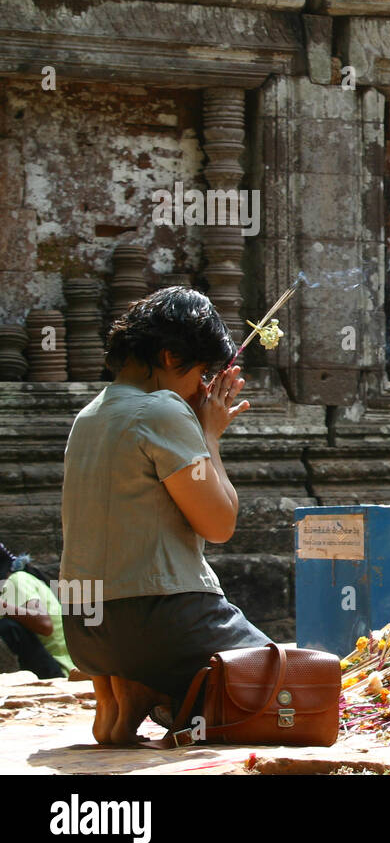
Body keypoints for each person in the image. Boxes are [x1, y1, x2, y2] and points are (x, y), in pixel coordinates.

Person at [60, 287, 271, 746]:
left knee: (209, 685)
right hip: (156, 619)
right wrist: (210, 436)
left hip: (84, 626)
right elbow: (219, 526)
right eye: (201, 374)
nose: (202, 388)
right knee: (286, 686)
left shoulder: (89, 416)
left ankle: (122, 686)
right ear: (170, 355)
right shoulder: (163, 408)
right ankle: (144, 685)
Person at [0, 543, 76, 679]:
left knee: (7, 627)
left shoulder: (17, 580)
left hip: (58, 669)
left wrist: (2, 607)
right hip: (52, 665)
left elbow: (45, 625)